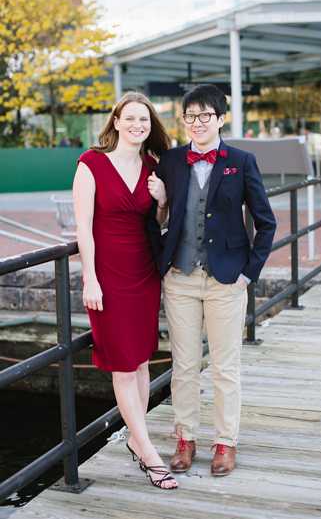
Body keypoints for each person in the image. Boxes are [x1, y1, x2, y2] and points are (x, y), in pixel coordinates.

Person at [147, 83, 276, 477]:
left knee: (224, 366)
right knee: (184, 365)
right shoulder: (169, 161)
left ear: (221, 118)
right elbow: (152, 220)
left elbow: (266, 222)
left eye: (205, 115)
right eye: (190, 116)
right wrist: (163, 256)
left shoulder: (241, 160)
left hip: (226, 280)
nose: (197, 123)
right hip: (180, 278)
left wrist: (246, 274)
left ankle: (225, 443)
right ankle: (185, 438)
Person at [73, 91, 178, 490]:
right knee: (122, 362)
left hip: (144, 273)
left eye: (145, 120)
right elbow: (83, 227)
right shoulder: (91, 163)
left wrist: (163, 200)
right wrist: (90, 278)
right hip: (109, 275)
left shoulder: (154, 167)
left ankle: (137, 438)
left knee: (140, 361)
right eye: (130, 118)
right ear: (116, 121)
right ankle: (150, 454)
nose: (138, 126)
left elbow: (159, 220)